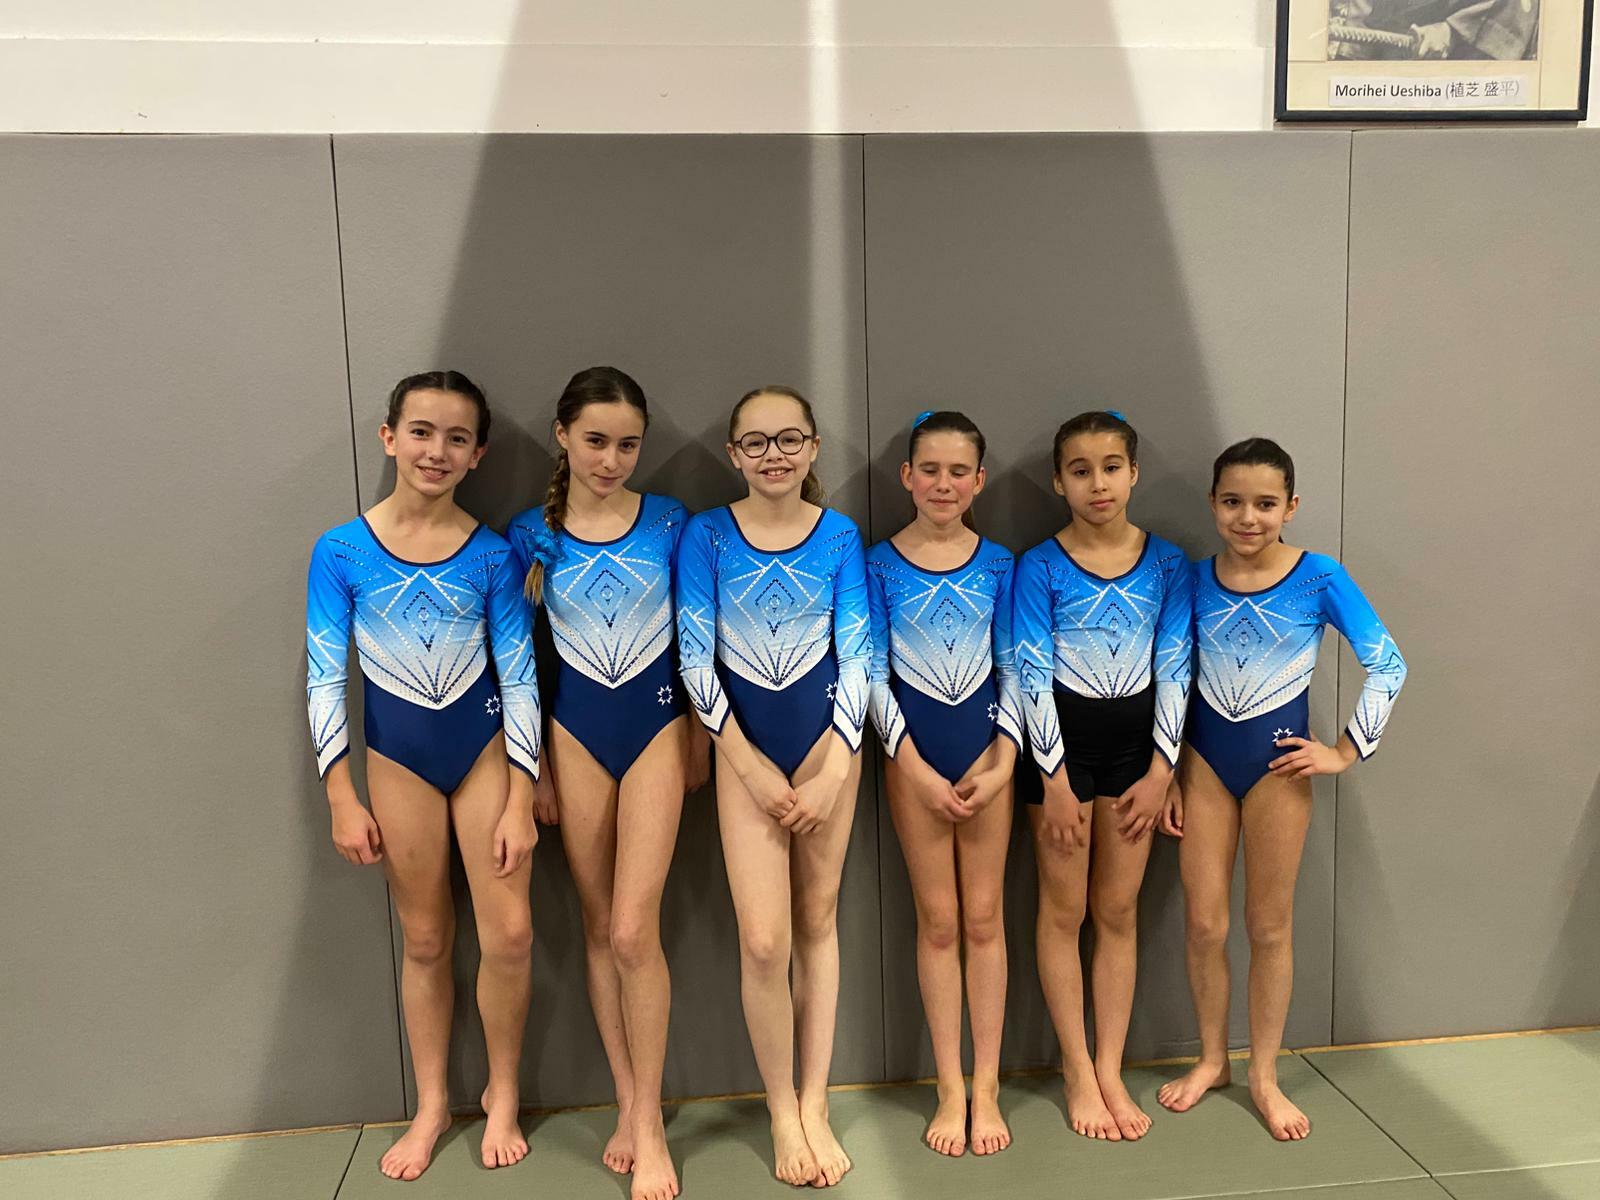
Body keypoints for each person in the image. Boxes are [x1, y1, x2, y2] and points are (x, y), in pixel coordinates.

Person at [305, 371, 540, 1180]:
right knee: (429, 938)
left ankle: (503, 1091)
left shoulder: (493, 554)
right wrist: (340, 795)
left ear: (478, 455)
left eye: (456, 438)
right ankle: (433, 1102)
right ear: (389, 438)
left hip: (483, 756)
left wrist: (521, 795)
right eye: (421, 432)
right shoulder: (341, 551)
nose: (436, 451)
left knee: (510, 935)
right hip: (397, 759)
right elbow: (324, 676)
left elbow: (519, 676)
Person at [1157, 437, 1407, 1140]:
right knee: (1204, 924)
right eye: (1233, 502)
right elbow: (1171, 674)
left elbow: (1388, 664)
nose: (1248, 517)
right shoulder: (1191, 579)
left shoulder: (1319, 576)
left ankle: (1264, 1074)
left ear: (1291, 506)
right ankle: (1213, 1060)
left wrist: (1345, 751)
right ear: (1213, 504)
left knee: (1268, 926)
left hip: (1277, 771)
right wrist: (1168, 769)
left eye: (1265, 504)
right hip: (1204, 766)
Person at [506, 366, 698, 1200]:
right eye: (595, 441)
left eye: (627, 445)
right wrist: (536, 770)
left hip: (657, 730)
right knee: (595, 926)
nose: (611, 460)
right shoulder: (530, 534)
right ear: (562, 436)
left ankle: (650, 1122)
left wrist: (698, 736)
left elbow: (696, 639)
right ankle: (629, 1100)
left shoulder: (670, 521)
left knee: (631, 931)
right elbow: (521, 663)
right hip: (571, 736)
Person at [674, 385, 869, 1187]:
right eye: (755, 442)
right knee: (764, 940)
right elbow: (694, 658)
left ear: (814, 447)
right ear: (734, 455)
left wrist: (836, 766)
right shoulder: (708, 535)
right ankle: (781, 1109)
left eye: (790, 439)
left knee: (817, 922)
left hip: (828, 747)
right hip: (742, 752)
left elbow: (859, 655)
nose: (774, 455)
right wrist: (748, 765)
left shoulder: (839, 535)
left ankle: (816, 1102)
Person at [1012, 410, 1194, 1141]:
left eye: (1111, 467)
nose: (1098, 484)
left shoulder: (1169, 564)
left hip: (1136, 756)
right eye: (1080, 470)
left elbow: (1177, 666)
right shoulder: (1039, 565)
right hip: (1060, 755)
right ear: (1059, 481)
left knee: (1117, 912)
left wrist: (1162, 769)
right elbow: (1029, 673)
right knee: (1064, 912)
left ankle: (1111, 1066)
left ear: (1134, 473)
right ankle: (1076, 1067)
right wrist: (1054, 781)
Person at [865, 410, 1020, 1157]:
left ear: (979, 481)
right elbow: (870, 673)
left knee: (984, 918)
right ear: (907, 476)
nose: (943, 483)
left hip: (989, 758)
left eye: (959, 471)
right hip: (913, 763)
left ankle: (986, 1085)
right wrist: (913, 765)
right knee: (938, 922)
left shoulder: (1000, 564)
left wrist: (1005, 759)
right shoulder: (878, 564)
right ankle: (949, 1085)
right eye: (929, 469)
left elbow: (1019, 667)